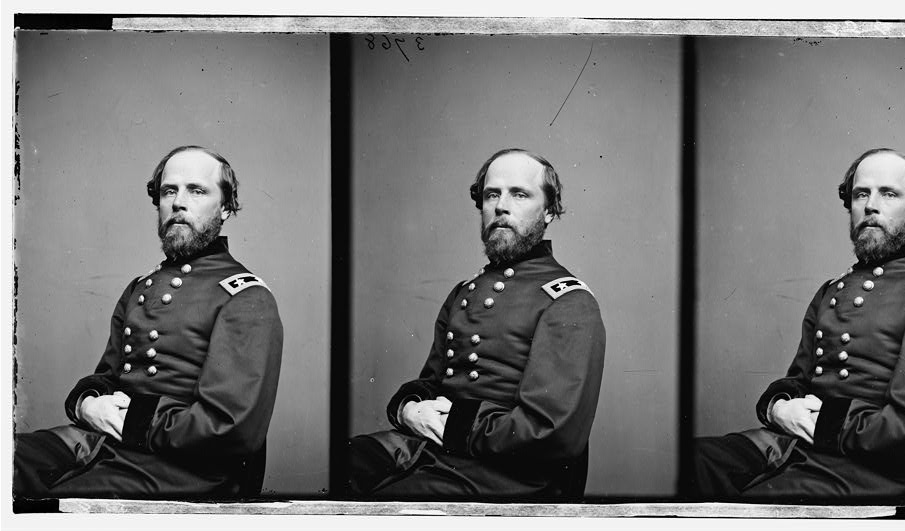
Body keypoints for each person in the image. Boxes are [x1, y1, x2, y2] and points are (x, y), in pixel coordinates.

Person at [691, 148, 905, 503]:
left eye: (889, 194)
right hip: (800, 445)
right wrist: (779, 407)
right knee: (690, 462)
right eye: (861, 194)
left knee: (753, 508)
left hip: (878, 473)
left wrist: (823, 421)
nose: (871, 205)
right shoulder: (831, 290)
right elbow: (800, 378)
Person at [14, 146, 284, 499]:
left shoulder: (245, 296)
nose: (178, 202)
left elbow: (229, 428)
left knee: (51, 503)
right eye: (169, 191)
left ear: (225, 208)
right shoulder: (140, 287)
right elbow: (109, 375)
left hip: (187, 469)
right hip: (110, 443)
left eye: (197, 190)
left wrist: (131, 419)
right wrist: (87, 404)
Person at [348, 148, 606, 500]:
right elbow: (433, 381)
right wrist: (410, 409)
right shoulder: (463, 292)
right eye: (491, 194)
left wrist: (452, 422)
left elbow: (550, 432)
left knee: (383, 506)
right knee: (342, 464)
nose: (501, 206)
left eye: (519, 194)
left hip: (513, 474)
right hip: (436, 448)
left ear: (548, 210)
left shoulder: (568, 301)